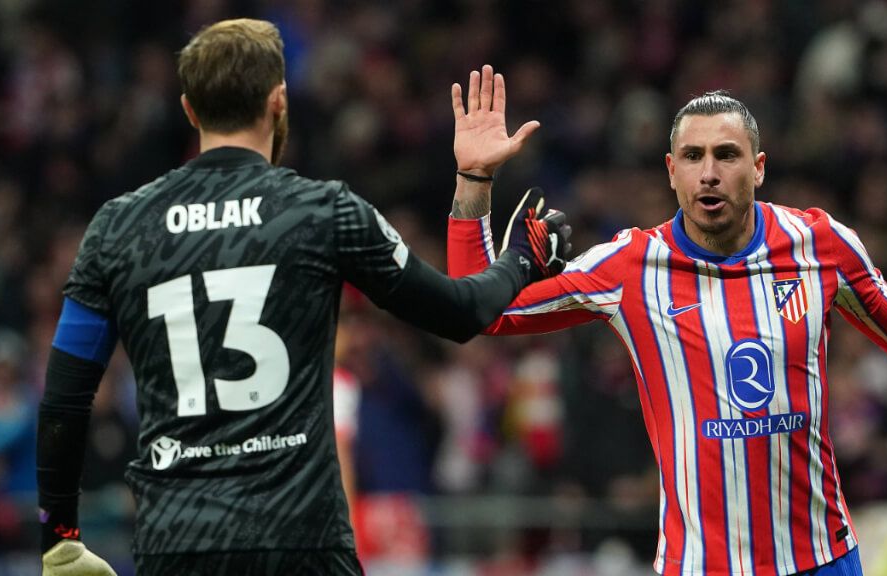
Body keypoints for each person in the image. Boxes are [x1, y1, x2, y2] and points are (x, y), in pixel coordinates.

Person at [35, 20, 570, 576]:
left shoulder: (120, 227)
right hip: (301, 543)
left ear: (190, 110)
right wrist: (525, 253)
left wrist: (60, 538)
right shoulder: (323, 212)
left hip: (176, 542)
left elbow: (63, 400)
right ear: (279, 101)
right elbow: (462, 313)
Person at [447, 66, 887, 575]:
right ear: (671, 171)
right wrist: (474, 179)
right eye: (692, 157)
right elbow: (478, 313)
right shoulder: (629, 267)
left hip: (822, 560)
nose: (708, 173)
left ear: (758, 168)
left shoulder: (819, 245)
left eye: (727, 154)